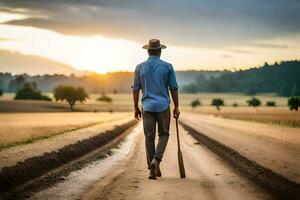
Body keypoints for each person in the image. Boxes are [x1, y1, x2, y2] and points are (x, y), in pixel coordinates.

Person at [132, 39, 180, 179]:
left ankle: (151, 170)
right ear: (160, 51)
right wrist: (176, 106)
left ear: (148, 51)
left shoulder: (139, 67)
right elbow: (173, 88)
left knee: (149, 137)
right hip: (163, 106)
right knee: (164, 134)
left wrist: (136, 107)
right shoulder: (168, 67)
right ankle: (156, 160)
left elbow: (135, 89)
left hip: (147, 106)